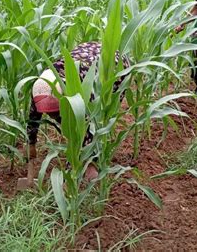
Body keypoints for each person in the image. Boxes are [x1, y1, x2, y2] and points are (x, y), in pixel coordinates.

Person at [26, 41, 129, 180]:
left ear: (65, 95)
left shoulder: (83, 85)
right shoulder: (41, 86)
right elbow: (33, 117)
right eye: (49, 113)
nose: (53, 116)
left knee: (102, 117)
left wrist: (73, 168)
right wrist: (30, 143)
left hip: (115, 66)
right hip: (85, 54)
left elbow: (89, 122)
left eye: (56, 112)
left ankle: (95, 159)